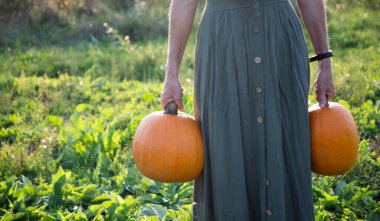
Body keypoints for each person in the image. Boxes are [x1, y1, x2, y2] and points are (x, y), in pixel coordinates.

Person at [161, 0, 336, 220]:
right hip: (222, 42)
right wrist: (171, 74)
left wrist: (324, 62)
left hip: (279, 39)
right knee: (225, 146)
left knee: (284, 140)